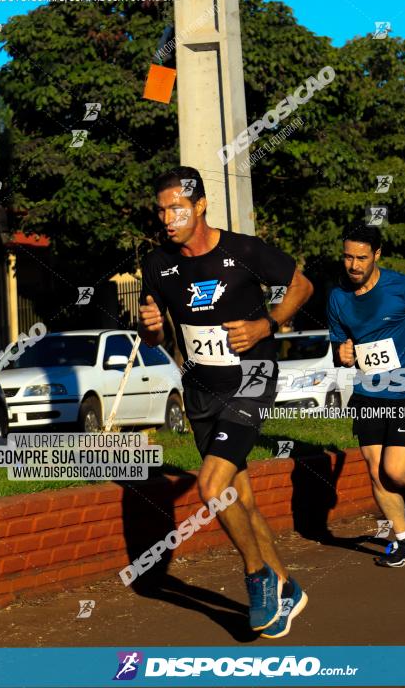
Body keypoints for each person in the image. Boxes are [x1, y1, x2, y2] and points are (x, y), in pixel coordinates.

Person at [138, 166, 313, 635]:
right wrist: (150, 328)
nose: (167, 217)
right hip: (200, 386)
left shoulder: (244, 250)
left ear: (199, 206)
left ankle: (256, 577)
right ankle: (286, 586)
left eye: (176, 208)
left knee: (212, 488)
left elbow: (302, 285)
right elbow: (154, 335)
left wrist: (267, 325)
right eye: (161, 210)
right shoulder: (156, 264)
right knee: (240, 498)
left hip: (252, 376)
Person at [328, 221, 405, 567]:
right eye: (348, 257)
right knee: (375, 471)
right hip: (368, 392)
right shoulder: (338, 296)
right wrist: (342, 352)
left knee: (396, 471)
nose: (353, 265)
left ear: (377, 255)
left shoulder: (403, 288)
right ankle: (403, 543)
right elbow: (339, 344)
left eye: (361, 258)